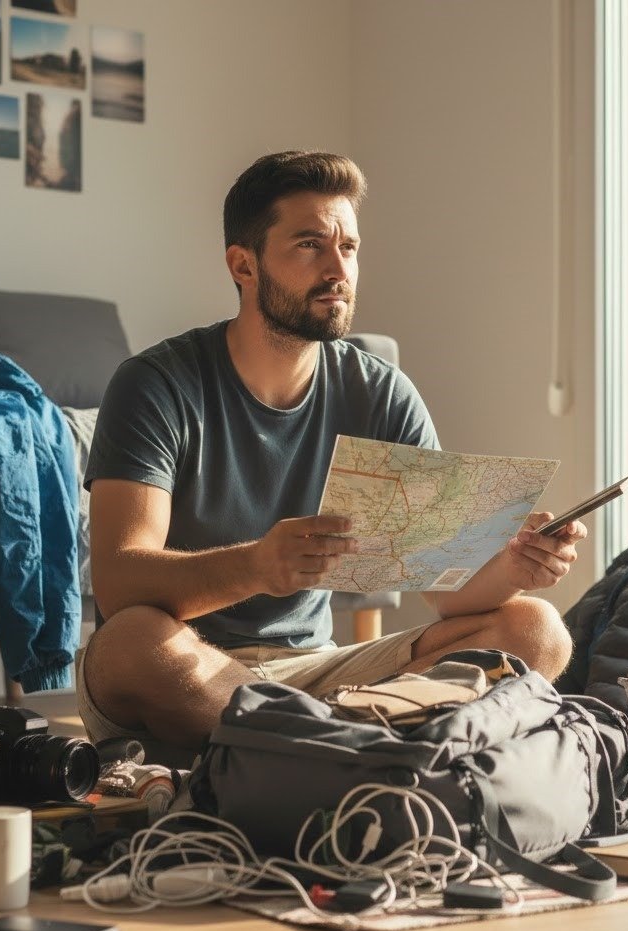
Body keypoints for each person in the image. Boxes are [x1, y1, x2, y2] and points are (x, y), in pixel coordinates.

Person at [78, 151, 586, 759]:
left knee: (534, 629)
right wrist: (257, 567)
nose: (337, 268)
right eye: (309, 246)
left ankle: (309, 749)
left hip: (322, 677)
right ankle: (361, 750)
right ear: (243, 264)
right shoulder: (157, 384)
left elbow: (444, 590)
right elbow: (117, 583)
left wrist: (512, 567)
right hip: (188, 666)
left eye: (348, 247)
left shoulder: (381, 393)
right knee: (130, 642)